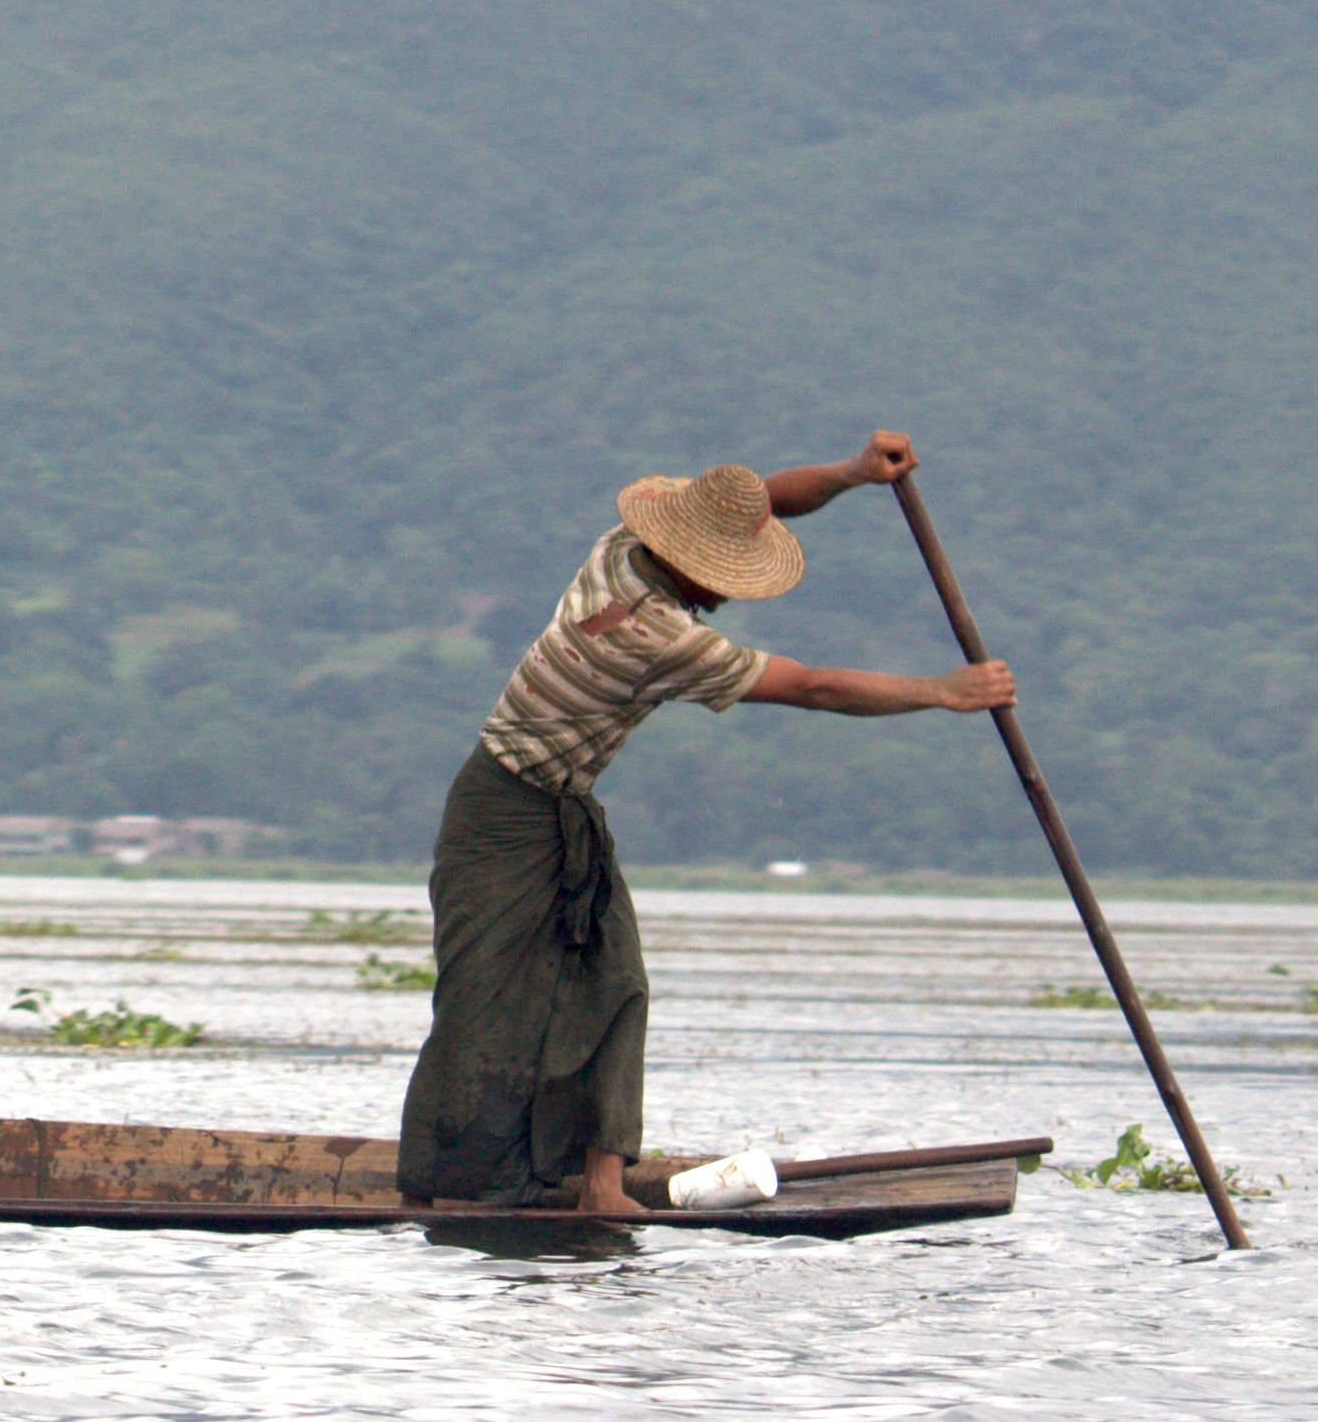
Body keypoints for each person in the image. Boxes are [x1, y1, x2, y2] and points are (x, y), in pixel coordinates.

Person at [397, 431, 1014, 1217]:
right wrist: (940, 692)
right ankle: (451, 1185)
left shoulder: (621, 543)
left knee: (612, 980)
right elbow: (814, 687)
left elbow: (759, 500)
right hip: (496, 814)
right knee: (485, 999)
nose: (726, 592)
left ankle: (599, 1187)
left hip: (565, 809)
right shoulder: (657, 637)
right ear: (684, 562)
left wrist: (853, 474)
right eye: (720, 577)